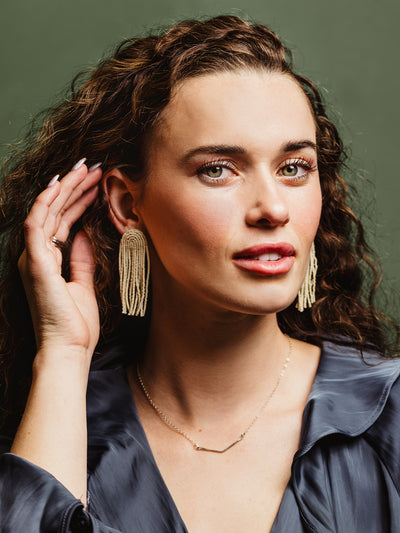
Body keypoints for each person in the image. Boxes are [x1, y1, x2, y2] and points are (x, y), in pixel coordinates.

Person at [0, 14, 399, 533]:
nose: (273, 208)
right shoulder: (57, 428)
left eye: (294, 167)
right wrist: (62, 358)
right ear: (127, 204)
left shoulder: (386, 416)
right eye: (218, 169)